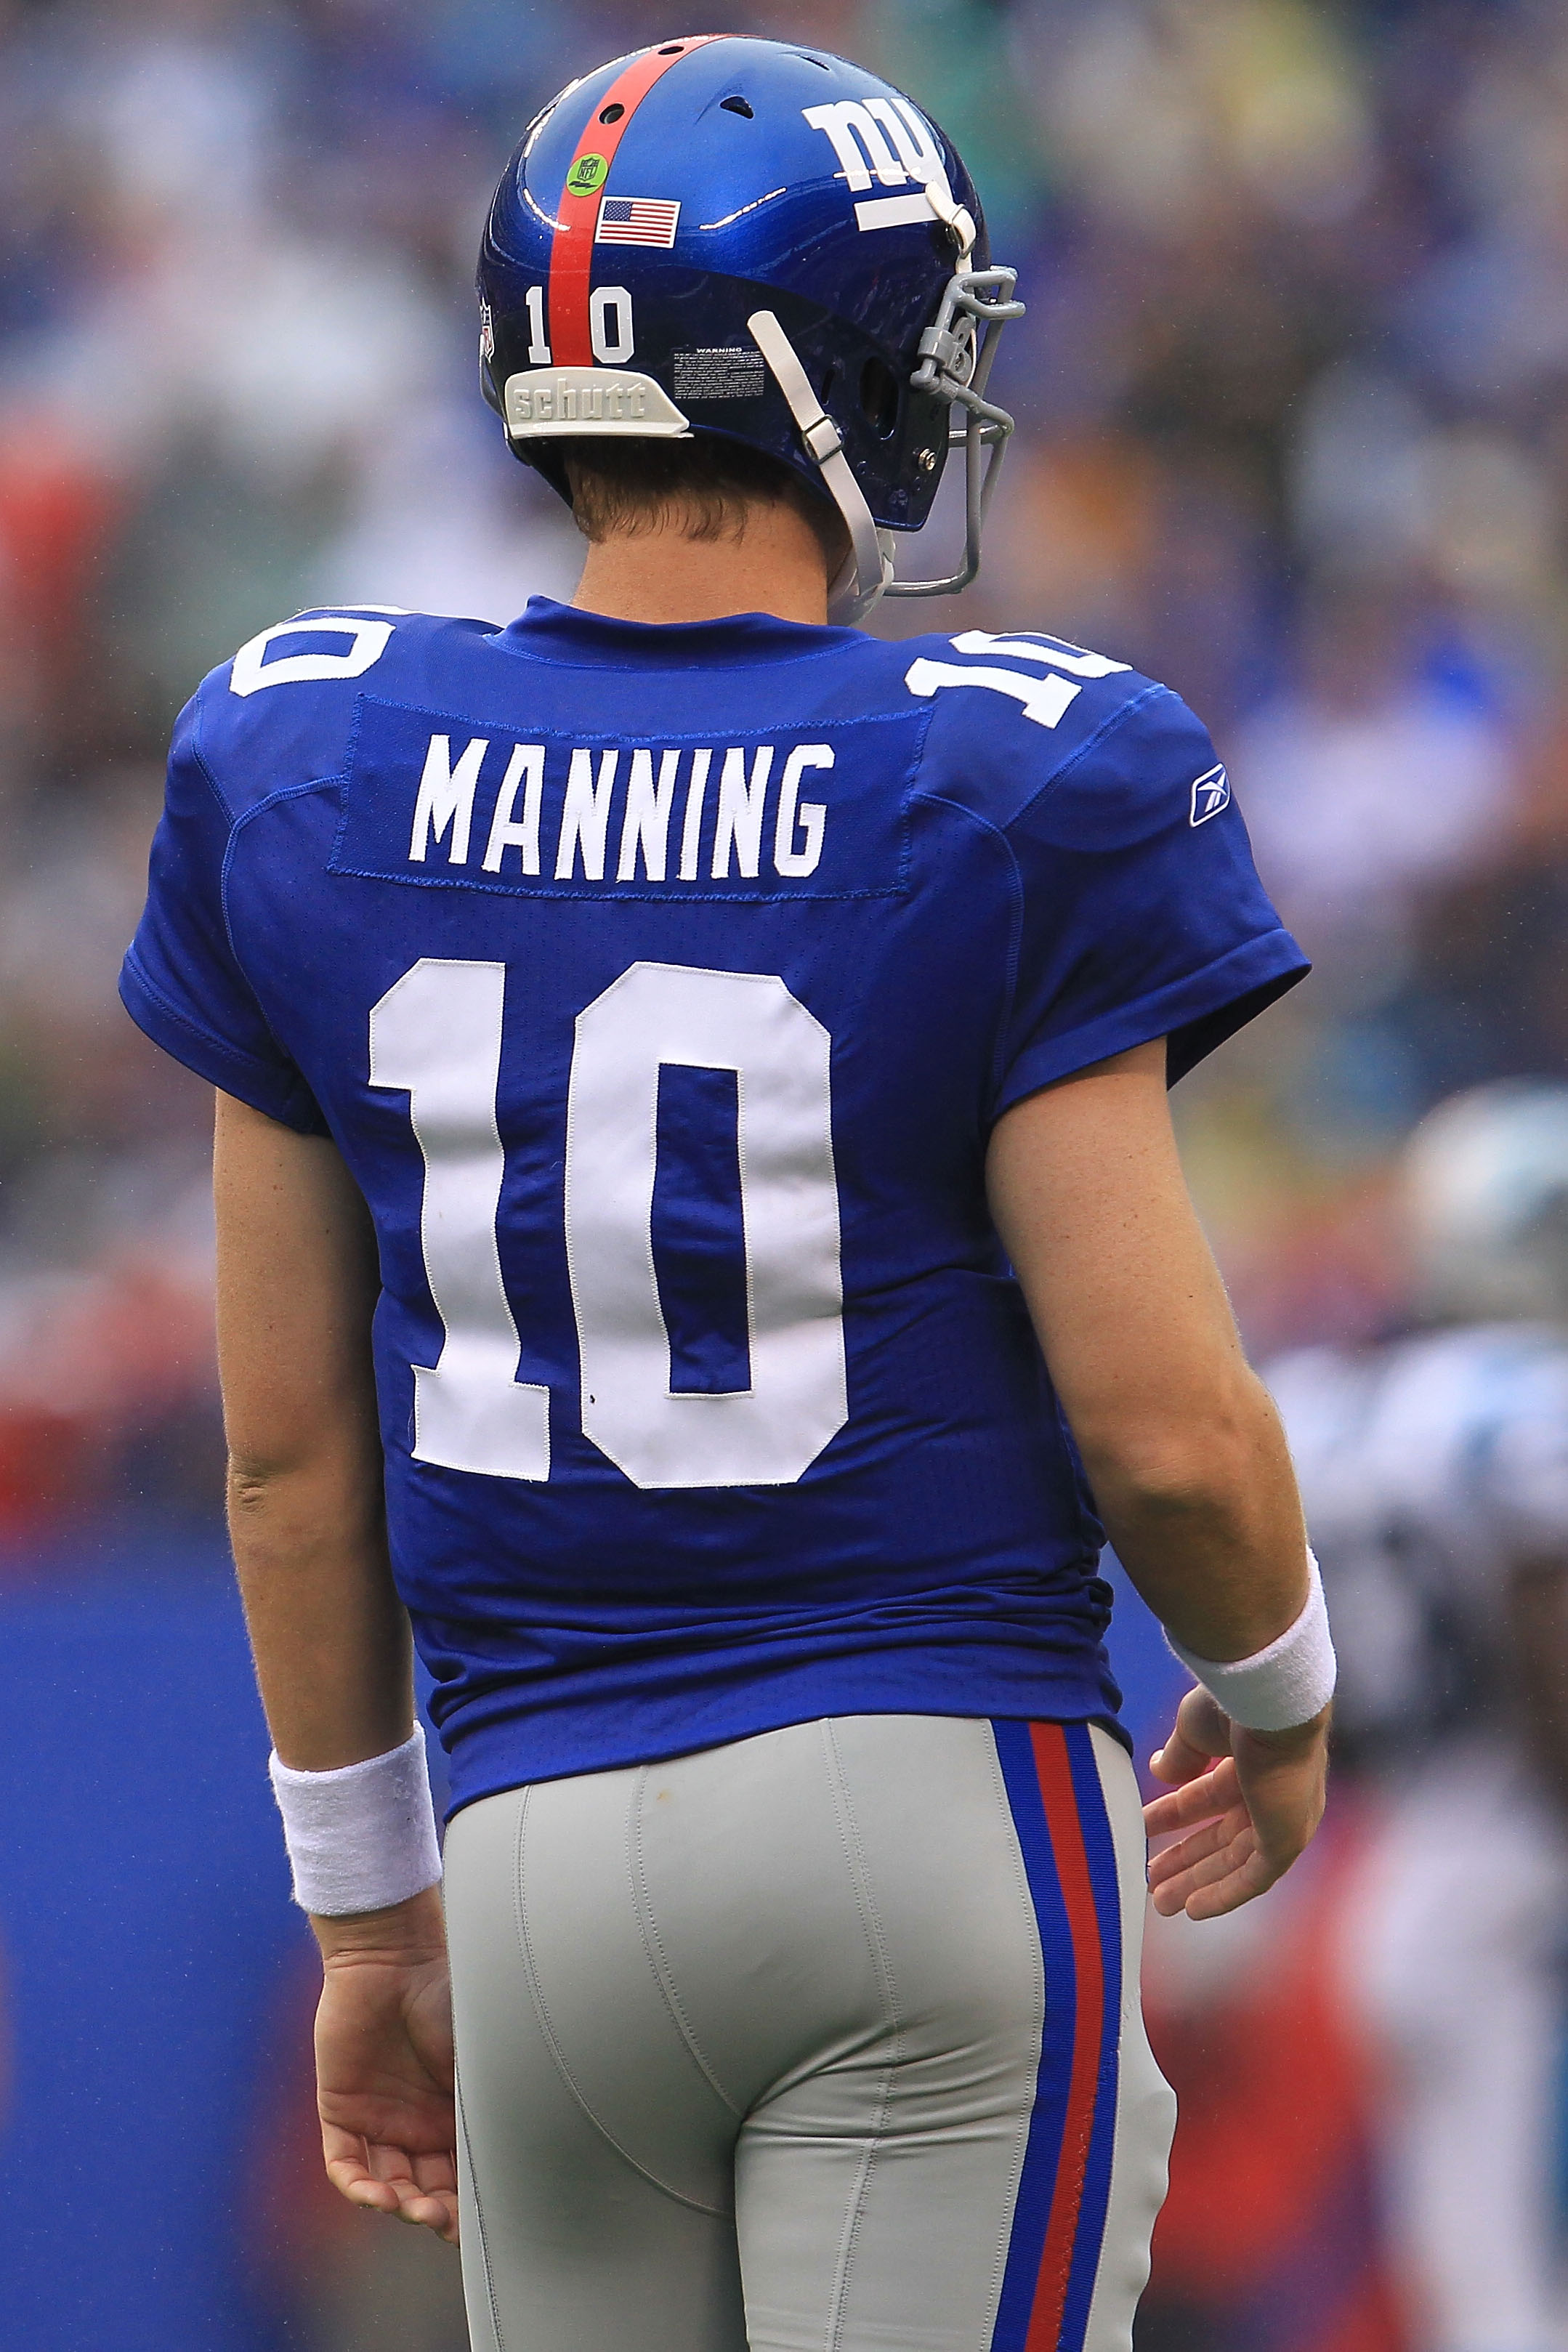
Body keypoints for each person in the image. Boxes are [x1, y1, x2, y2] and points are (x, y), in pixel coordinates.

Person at [120, 36, 1332, 2352]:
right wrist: (1276, 1693)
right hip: (925, 1801)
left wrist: (367, 1918)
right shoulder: (1011, 767)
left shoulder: (300, 746)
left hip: (533, 1844)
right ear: (822, 373)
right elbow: (1166, 1430)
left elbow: (285, 1453)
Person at [1269, 1081, 1568, 2352]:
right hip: (1524, 1854)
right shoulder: (1522, 1399)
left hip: (1394, 1876)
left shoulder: (1329, 1405)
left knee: (1476, 2284)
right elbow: (1546, 1624)